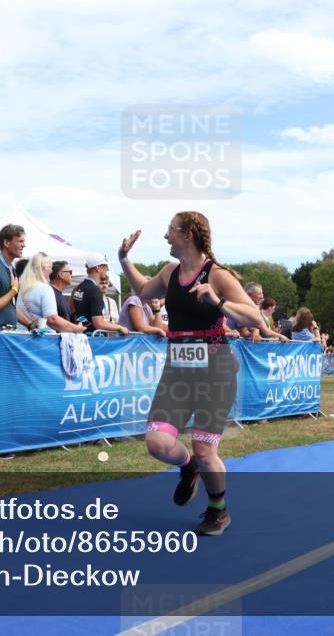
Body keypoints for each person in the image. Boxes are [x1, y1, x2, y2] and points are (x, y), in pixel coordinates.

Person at [118, 211, 262, 536]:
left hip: (215, 372)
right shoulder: (171, 272)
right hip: (177, 372)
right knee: (156, 443)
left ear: (187, 235)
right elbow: (142, 292)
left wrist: (219, 301)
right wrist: (124, 258)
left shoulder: (218, 275)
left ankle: (218, 510)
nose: (166, 237)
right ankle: (188, 467)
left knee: (204, 447)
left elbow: (257, 320)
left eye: (170, 231)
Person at [18, 252, 86, 333]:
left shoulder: (23, 287)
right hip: (41, 339)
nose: (51, 271)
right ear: (42, 268)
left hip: (20, 336)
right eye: (50, 267)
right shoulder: (45, 288)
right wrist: (76, 328)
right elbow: (52, 319)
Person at [0, 224, 30, 331]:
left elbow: (10, 305)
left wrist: (30, 324)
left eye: (24, 242)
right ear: (7, 243)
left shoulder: (11, 268)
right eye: (20, 241)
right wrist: (13, 290)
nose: (24, 245)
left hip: (8, 333)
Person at [72, 255, 129, 336]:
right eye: (105, 266)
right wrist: (119, 327)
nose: (108, 269)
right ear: (98, 268)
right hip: (94, 339)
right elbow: (99, 323)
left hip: (81, 336)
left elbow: (72, 311)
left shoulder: (79, 287)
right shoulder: (95, 290)